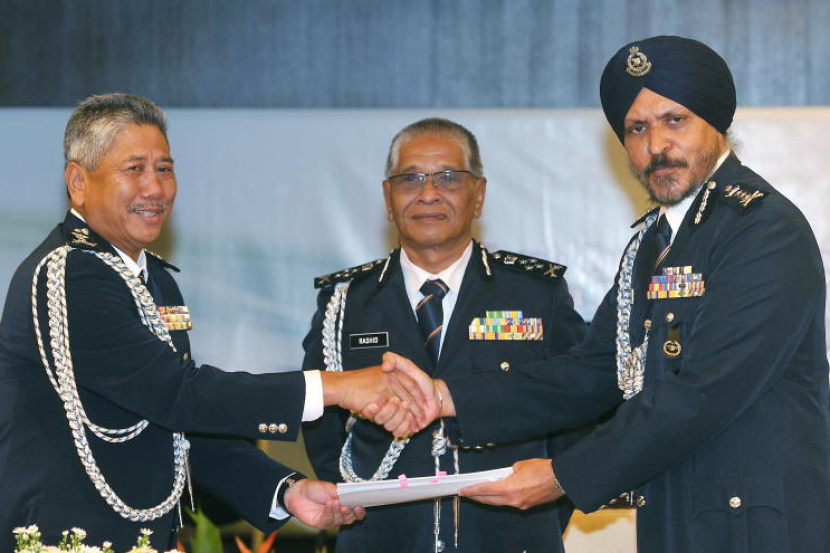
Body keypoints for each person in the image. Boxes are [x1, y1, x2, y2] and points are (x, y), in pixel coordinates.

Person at [381, 37, 830, 552]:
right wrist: (444, 397)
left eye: (675, 120)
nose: (656, 145)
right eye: (637, 128)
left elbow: (703, 390)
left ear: (716, 123)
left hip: (756, 526)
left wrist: (564, 475)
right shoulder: (652, 243)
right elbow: (592, 372)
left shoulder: (762, 228)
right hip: (676, 514)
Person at [0, 93, 429, 552]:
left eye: (164, 169)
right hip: (66, 541)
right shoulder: (70, 273)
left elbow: (182, 429)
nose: (154, 188)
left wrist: (285, 491)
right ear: (78, 182)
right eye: (134, 169)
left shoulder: (154, 280)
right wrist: (335, 387)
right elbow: (175, 393)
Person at [302, 118, 587, 552]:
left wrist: (542, 512)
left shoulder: (535, 293)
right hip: (382, 540)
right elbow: (322, 428)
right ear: (388, 198)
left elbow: (577, 406)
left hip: (511, 538)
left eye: (449, 178)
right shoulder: (345, 301)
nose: (428, 194)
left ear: (479, 195)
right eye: (410, 179)